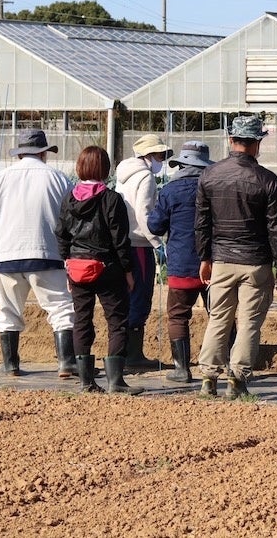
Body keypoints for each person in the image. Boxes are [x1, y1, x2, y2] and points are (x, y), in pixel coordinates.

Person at [195, 115, 277, 399]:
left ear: (231, 140)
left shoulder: (209, 176)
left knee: (218, 319)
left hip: (221, 259)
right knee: (249, 323)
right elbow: (276, 228)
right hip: (256, 262)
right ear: (257, 143)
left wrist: (204, 257)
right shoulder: (267, 180)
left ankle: (207, 380)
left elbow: (202, 223)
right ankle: (237, 381)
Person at [0, 128, 76, 378]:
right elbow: (70, 215)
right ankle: (66, 363)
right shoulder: (58, 178)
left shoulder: (0, 179)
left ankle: (11, 365)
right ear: (44, 152)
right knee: (61, 309)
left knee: (9, 310)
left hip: (7, 254)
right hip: (48, 253)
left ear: (20, 154)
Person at [55, 146, 142, 395]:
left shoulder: (69, 199)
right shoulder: (111, 200)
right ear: (105, 168)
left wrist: (67, 263)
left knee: (82, 321)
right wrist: (128, 270)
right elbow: (120, 240)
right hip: (108, 269)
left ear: (80, 167)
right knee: (117, 321)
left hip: (78, 269)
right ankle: (116, 381)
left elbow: (61, 235)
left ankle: (86, 381)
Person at [147, 141, 213, 383]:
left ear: (181, 164)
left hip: (181, 264)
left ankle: (182, 369)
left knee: (178, 315)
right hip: (214, 265)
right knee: (219, 315)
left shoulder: (170, 191)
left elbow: (155, 225)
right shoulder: (214, 188)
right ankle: (226, 365)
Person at [115, 133, 172, 369]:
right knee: (140, 295)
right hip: (139, 242)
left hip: (123, 242)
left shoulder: (124, 174)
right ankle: (133, 356)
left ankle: (124, 352)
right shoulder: (146, 177)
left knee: (126, 295)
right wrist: (158, 243)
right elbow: (143, 213)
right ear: (149, 155)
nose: (162, 160)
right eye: (160, 155)